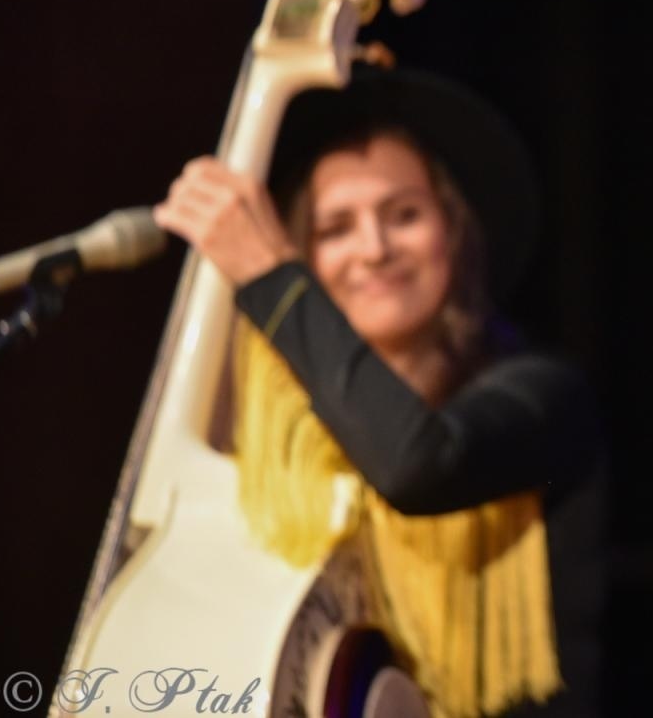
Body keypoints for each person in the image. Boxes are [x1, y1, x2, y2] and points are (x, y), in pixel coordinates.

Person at [154, 65, 607, 718]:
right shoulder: (243, 432)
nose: (373, 248)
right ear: (305, 251)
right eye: (335, 228)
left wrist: (269, 276)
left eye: (404, 215)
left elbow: (417, 463)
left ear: (454, 233)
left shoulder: (543, 394)